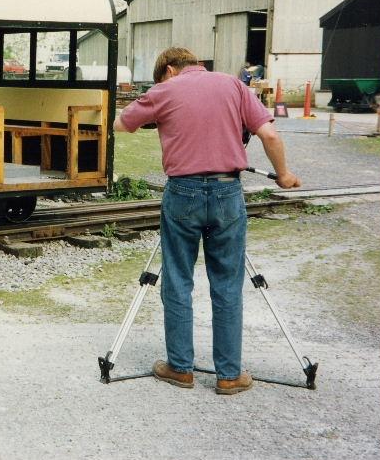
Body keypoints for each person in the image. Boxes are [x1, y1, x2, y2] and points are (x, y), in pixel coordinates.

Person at [114, 47, 301, 395]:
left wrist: (156, 116)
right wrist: (285, 174)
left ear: (169, 70)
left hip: (183, 193)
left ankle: (180, 368)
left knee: (178, 280)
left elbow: (120, 124)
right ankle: (229, 375)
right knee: (228, 285)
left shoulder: (164, 90)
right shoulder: (233, 85)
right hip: (228, 191)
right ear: (194, 65)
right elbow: (270, 135)